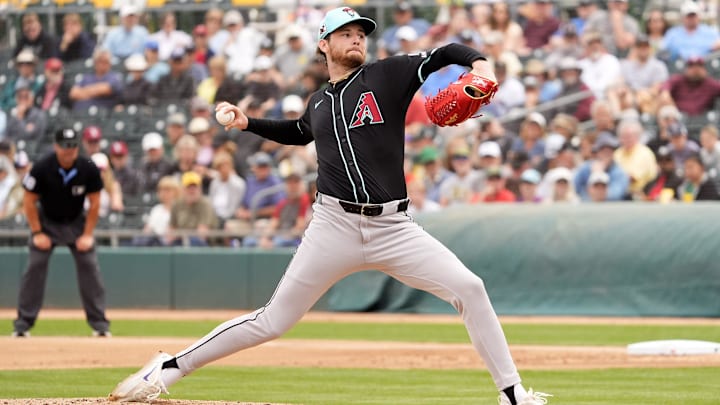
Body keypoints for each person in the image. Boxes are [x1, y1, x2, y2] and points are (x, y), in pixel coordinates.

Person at [109, 7, 550, 405]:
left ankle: (513, 395)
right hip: (332, 225)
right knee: (272, 321)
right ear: (325, 43)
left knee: (470, 288)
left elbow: (447, 52)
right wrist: (248, 123)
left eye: (361, 32)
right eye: (346, 33)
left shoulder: (388, 75)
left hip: (394, 228)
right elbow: (300, 131)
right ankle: (167, 369)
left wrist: (481, 66)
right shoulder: (319, 101)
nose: (357, 38)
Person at [12, 128, 110, 338]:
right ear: (56, 146)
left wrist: (87, 234)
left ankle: (100, 324)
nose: (70, 150)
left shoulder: (88, 167)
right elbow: (29, 201)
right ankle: (22, 325)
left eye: (73, 145)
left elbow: (95, 203)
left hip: (76, 223)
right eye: (65, 146)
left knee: (89, 266)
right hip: (47, 221)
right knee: (35, 266)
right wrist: (37, 232)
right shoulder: (42, 167)